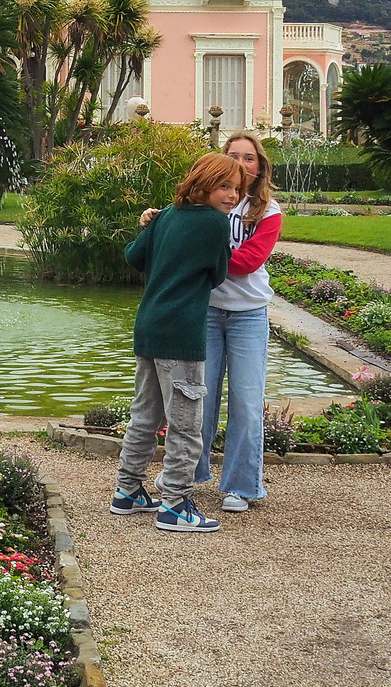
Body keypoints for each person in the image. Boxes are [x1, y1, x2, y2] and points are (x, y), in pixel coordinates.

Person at [140, 135, 283, 513]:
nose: (241, 163)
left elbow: (249, 262)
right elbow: (170, 232)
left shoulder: (268, 211)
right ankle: (188, 476)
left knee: (247, 401)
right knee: (195, 399)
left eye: (249, 158)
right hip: (203, 309)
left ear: (259, 166)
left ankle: (240, 484)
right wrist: (158, 226)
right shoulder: (204, 206)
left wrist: (191, 249)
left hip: (248, 314)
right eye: (232, 156)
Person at [112, 152, 246, 534]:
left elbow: (133, 256)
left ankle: (128, 490)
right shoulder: (214, 224)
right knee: (186, 424)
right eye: (224, 186)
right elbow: (219, 274)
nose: (232, 195)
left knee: (145, 416)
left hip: (149, 328)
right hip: (182, 334)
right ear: (202, 183)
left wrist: (149, 227)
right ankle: (174, 503)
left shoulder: (166, 215)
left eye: (236, 188)